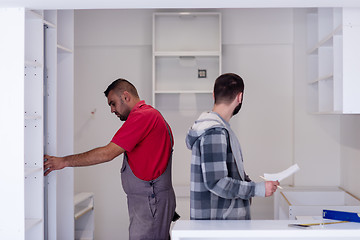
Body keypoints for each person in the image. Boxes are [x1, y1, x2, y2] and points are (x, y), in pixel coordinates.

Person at [44, 78, 177, 240]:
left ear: (126, 96)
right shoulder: (150, 115)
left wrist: (63, 161)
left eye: (113, 103)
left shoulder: (143, 116)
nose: (112, 110)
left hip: (151, 201)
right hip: (150, 201)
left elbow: (107, 153)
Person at [185, 73, 279, 220]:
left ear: (213, 95)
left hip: (218, 224)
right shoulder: (214, 132)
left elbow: (228, 174)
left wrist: (255, 185)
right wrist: (258, 189)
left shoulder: (218, 129)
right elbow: (217, 182)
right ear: (240, 97)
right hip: (218, 226)